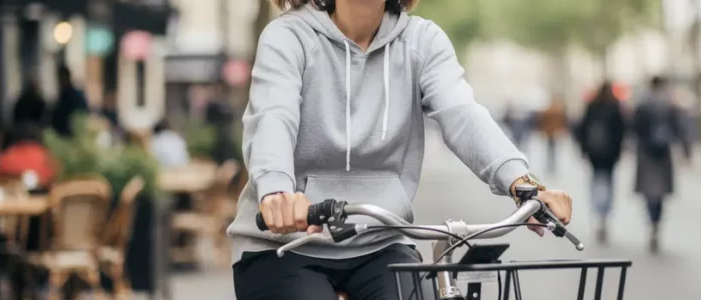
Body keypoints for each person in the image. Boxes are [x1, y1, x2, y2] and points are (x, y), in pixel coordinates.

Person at [226, 1, 574, 299]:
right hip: (285, 244)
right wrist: (276, 191)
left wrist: (523, 183)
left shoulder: (422, 41)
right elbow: (273, 117)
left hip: (379, 242)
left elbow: (462, 114)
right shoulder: (288, 38)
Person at [632, 76, 691, 254]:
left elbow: (634, 128)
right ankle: (656, 222)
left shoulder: (642, 105)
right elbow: (679, 129)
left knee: (650, 191)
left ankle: (652, 220)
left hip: (646, 154)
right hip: (663, 153)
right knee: (660, 191)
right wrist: (686, 150)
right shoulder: (669, 105)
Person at [575, 82, 626, 245]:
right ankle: (604, 213)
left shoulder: (592, 105)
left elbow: (581, 128)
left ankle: (598, 211)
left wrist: (584, 150)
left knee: (596, 181)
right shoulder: (614, 106)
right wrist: (619, 152)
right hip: (610, 154)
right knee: (608, 183)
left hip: (594, 152)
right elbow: (621, 131)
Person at [50, 66, 89, 137]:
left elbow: (80, 116)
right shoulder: (63, 95)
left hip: (71, 135)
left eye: (62, 77)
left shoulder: (75, 95)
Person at [539, 98, 568, 175]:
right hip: (554, 132)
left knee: (550, 150)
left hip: (550, 132)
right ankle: (552, 166)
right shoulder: (558, 111)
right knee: (553, 150)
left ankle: (550, 166)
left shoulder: (548, 111)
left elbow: (543, 122)